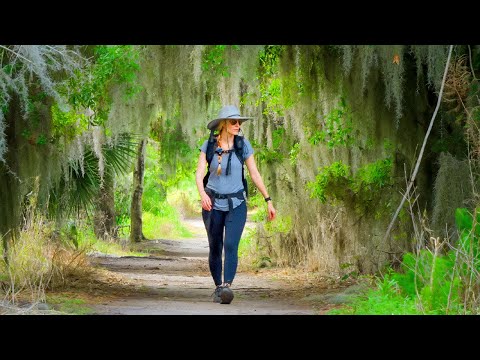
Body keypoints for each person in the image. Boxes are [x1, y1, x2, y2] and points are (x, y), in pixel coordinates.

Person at [195, 104, 276, 304]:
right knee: (215, 246)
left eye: (239, 122)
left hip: (237, 203)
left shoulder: (243, 145)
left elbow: (254, 173)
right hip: (212, 203)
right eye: (233, 121)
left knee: (231, 244)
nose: (237, 125)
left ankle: (227, 287)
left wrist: (268, 200)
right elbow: (198, 174)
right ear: (223, 124)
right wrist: (202, 194)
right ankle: (218, 287)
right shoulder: (209, 145)